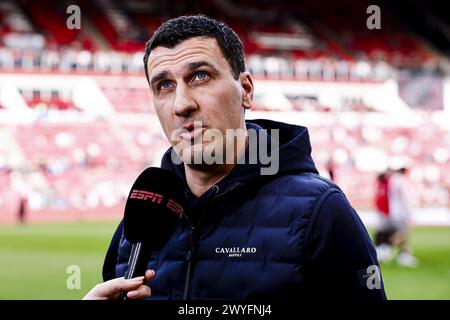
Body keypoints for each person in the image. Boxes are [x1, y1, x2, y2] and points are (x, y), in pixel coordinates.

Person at [83, 15, 386, 300]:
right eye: (164, 85)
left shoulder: (320, 211)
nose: (181, 104)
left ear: (245, 90)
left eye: (200, 76)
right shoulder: (143, 217)